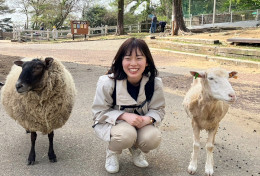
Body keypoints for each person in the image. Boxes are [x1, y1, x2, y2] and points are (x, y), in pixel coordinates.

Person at [92, 37, 165, 174]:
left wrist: (147, 119)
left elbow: (158, 109)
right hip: (115, 124)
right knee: (126, 135)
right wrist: (124, 115)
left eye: (139, 58)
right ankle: (112, 151)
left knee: (153, 138)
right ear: (121, 61)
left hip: (141, 123)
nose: (133, 63)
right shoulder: (107, 83)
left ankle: (135, 148)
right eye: (128, 58)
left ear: (147, 61)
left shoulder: (155, 83)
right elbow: (98, 112)